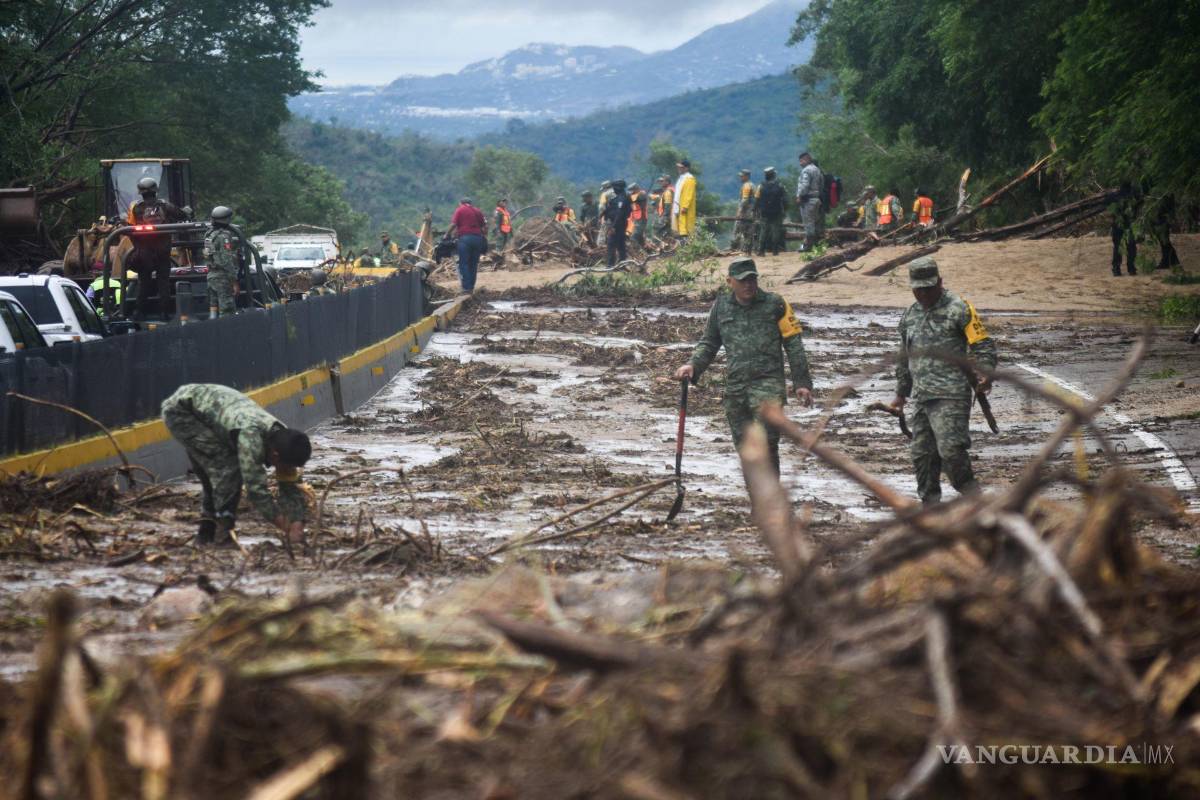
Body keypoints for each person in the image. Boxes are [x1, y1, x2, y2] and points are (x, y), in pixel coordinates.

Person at [674, 257, 813, 478]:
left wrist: (802, 383)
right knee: (746, 450)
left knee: (767, 445)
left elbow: (794, 344)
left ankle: (771, 503)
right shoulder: (721, 306)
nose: (749, 285)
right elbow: (709, 343)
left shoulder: (776, 304)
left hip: (768, 387)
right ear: (730, 281)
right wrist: (693, 365)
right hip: (736, 390)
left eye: (752, 279)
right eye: (743, 281)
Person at [888, 257, 997, 505]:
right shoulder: (910, 315)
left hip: (952, 395)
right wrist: (901, 393)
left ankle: (974, 498)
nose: (924, 294)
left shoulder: (959, 308)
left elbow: (983, 344)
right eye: (919, 289)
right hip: (922, 397)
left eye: (929, 288)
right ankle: (930, 507)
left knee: (951, 452)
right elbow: (904, 356)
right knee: (922, 455)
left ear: (940, 282)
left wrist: (985, 373)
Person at [161, 383, 312, 547]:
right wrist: (284, 525)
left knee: (215, 471)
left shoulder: (284, 440)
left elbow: (290, 485)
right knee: (228, 468)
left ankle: (206, 532)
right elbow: (256, 490)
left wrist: (297, 523)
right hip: (182, 412)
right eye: (286, 466)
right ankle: (222, 533)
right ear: (275, 456)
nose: (286, 470)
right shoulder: (251, 438)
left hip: (209, 409)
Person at [125, 177, 187, 320]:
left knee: (144, 282)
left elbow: (129, 226)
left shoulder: (136, 207)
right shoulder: (165, 206)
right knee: (163, 283)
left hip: (144, 252)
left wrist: (138, 247)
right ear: (155, 191)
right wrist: (186, 211)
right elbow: (181, 215)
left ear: (140, 192)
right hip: (163, 251)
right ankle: (164, 314)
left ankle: (139, 313)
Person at [203, 206, 238, 318]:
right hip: (222, 278)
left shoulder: (209, 235)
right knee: (227, 312)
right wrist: (234, 281)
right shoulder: (223, 237)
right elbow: (226, 260)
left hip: (211, 276)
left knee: (213, 309)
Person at [448, 197, 486, 292]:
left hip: (465, 239)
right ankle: (471, 286)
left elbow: (453, 224)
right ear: (470, 203)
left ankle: (466, 287)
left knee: (463, 263)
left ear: (461, 203)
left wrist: (446, 235)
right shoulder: (477, 211)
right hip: (478, 239)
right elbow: (484, 226)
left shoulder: (460, 210)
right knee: (473, 264)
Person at [754, 167, 787, 256]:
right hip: (777, 211)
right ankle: (775, 250)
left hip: (764, 212)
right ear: (774, 175)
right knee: (776, 230)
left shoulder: (760, 186)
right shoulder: (780, 185)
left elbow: (756, 199)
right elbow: (784, 199)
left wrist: (755, 210)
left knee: (763, 230)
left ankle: (761, 251)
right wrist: (785, 210)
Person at [795, 152, 824, 251]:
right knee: (815, 222)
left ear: (807, 159)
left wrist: (799, 196)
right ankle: (817, 245)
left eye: (801, 160)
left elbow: (804, 185)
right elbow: (821, 184)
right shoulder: (817, 169)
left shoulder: (806, 171)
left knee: (808, 224)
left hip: (807, 200)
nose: (800, 163)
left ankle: (808, 246)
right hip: (816, 199)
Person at [602, 179, 632, 267]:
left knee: (611, 244)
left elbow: (619, 213)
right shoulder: (618, 197)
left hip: (618, 224)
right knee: (620, 244)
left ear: (618, 188)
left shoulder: (622, 199)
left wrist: (613, 227)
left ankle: (610, 265)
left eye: (614, 188)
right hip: (618, 223)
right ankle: (622, 264)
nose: (613, 189)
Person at [1150, 193, 1181, 271]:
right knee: (1163, 242)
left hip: (1162, 220)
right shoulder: (1162, 192)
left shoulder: (1164, 192)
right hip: (1160, 219)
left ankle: (1173, 262)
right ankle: (1168, 262)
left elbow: (1166, 207)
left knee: (1165, 242)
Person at [733, 169, 757, 253]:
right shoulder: (753, 185)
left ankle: (735, 248)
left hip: (745, 213)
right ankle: (748, 250)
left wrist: (740, 211)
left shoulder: (746, 185)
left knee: (737, 231)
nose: (741, 178)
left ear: (746, 176)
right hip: (752, 213)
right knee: (749, 233)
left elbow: (745, 200)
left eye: (742, 176)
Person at [672, 160, 697, 240]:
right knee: (681, 226)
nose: (679, 169)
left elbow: (688, 194)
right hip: (679, 206)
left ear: (686, 168)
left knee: (686, 226)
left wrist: (685, 206)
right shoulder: (681, 178)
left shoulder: (689, 179)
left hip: (684, 207)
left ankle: (686, 242)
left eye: (681, 167)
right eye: (678, 167)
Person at [651, 176, 674, 242]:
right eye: (660, 182)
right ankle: (667, 248)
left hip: (666, 214)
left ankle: (659, 246)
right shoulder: (659, 190)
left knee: (657, 231)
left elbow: (668, 205)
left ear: (667, 182)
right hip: (661, 213)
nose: (660, 183)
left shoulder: (669, 191)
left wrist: (665, 216)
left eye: (662, 181)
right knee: (666, 232)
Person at [628, 182, 648, 246]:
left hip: (642, 217)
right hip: (636, 217)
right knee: (639, 236)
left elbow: (635, 199)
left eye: (632, 190)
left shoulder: (642, 194)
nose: (631, 192)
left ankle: (637, 250)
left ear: (636, 188)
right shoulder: (633, 195)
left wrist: (629, 197)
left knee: (635, 235)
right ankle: (646, 250)